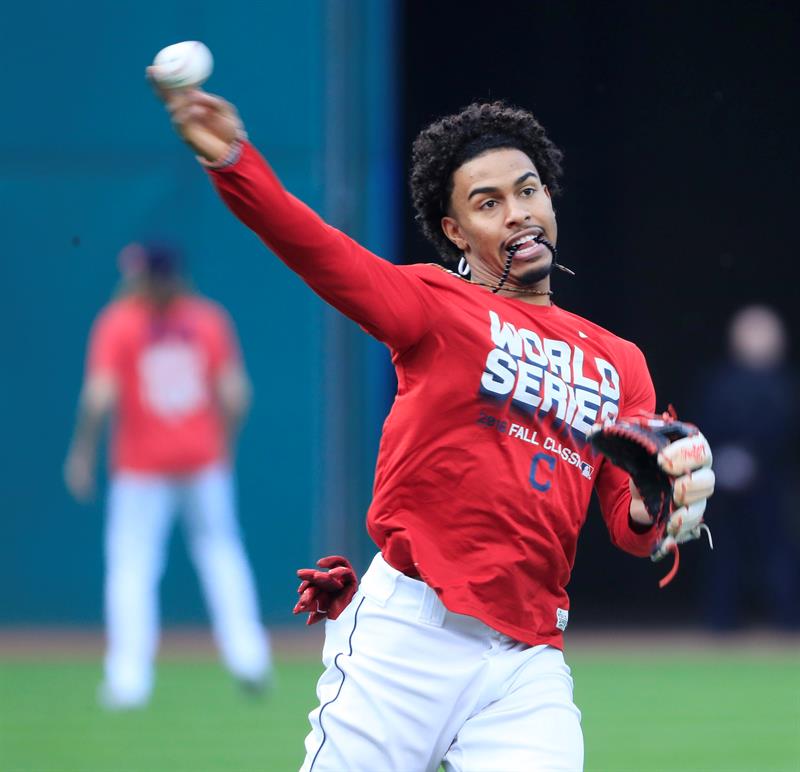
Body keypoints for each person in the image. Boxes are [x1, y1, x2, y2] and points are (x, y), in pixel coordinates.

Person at [149, 80, 715, 771]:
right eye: (488, 203)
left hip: (527, 658)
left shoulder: (620, 361)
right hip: (407, 637)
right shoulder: (435, 306)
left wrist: (661, 506)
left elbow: (628, 526)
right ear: (454, 232)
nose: (519, 213)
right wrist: (235, 162)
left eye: (528, 189)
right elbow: (319, 250)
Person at [64, 241, 271, 709]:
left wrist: (81, 452)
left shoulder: (119, 321)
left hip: (141, 467)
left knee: (133, 567)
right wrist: (223, 445)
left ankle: (129, 679)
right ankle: (249, 659)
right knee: (221, 554)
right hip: (202, 460)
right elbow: (236, 394)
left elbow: (100, 395)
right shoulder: (208, 318)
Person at [696, 305, 799, 630]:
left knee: (778, 555)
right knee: (723, 553)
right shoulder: (718, 382)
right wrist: (724, 460)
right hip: (722, 483)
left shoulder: (787, 385)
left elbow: (786, 431)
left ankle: (789, 624)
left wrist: (756, 460)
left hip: (772, 484)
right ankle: (719, 624)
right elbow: (702, 424)